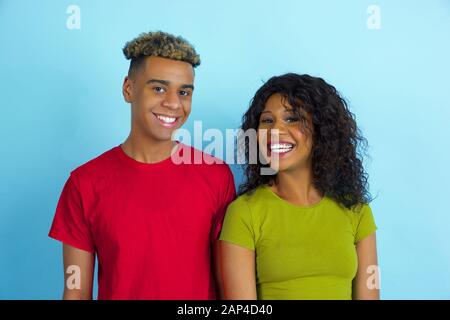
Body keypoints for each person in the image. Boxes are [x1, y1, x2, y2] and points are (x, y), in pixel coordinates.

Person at [49, 31, 236, 300]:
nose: (173, 103)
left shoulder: (216, 176)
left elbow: (230, 286)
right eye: (159, 88)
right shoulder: (84, 183)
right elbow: (76, 290)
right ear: (129, 89)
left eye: (184, 92)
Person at [218, 73, 379, 300]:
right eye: (267, 121)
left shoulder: (357, 211)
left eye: (292, 118)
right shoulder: (244, 213)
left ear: (322, 129)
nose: (275, 130)